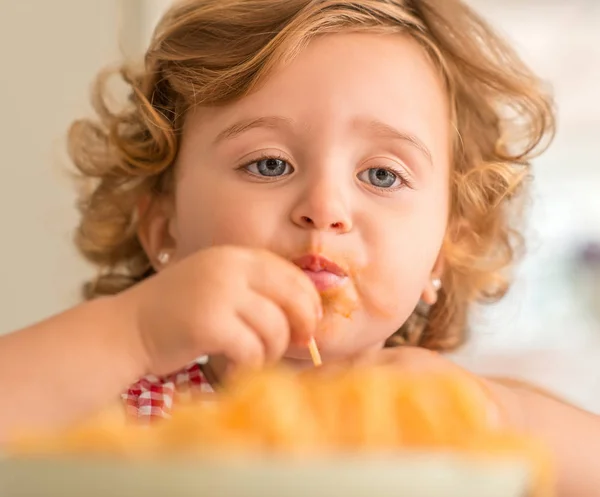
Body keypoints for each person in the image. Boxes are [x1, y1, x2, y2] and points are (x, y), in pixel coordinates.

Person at [0, 0, 598, 493]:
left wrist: (498, 414)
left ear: (441, 254)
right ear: (165, 231)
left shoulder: (436, 418)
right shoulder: (113, 405)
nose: (325, 208)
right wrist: (133, 332)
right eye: (268, 163)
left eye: (382, 175)